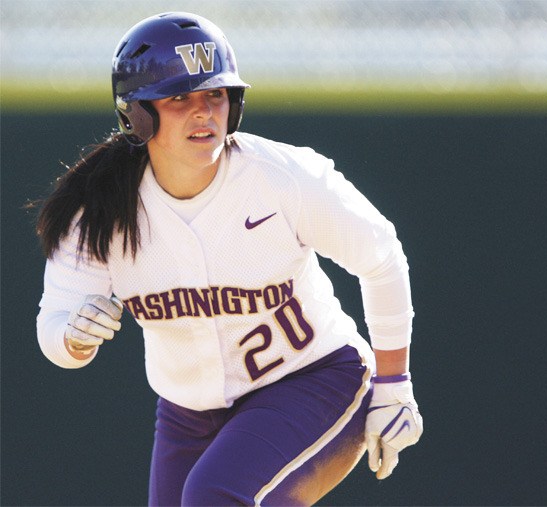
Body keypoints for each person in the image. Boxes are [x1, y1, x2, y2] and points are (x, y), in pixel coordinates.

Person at [35, 11, 423, 507]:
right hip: (187, 412)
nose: (204, 111)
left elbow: (382, 255)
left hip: (314, 379)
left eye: (215, 94)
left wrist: (395, 384)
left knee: (216, 495)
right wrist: (73, 338)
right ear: (137, 114)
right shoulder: (101, 207)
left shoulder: (281, 176)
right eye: (180, 97)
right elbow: (54, 323)